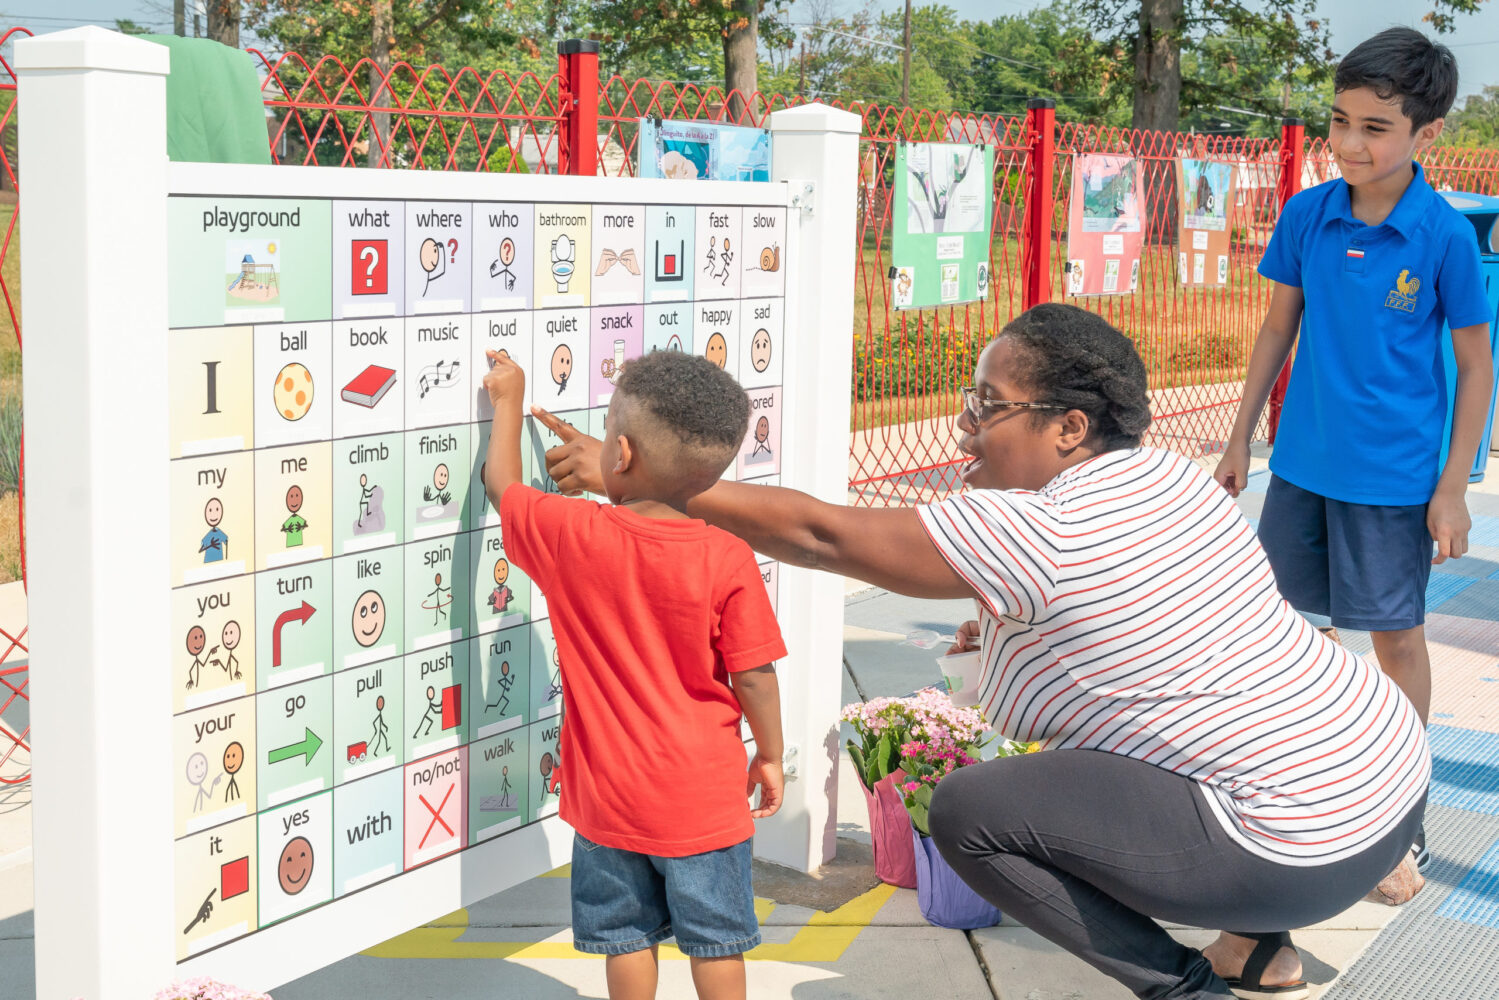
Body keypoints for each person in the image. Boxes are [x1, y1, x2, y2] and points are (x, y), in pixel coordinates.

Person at [539, 304, 1430, 1000]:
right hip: (1384, 786)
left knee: (970, 811)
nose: (965, 429)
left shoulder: (1042, 527)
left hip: (1288, 846)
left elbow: (820, 535)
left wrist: (653, 478)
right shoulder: (1165, 478)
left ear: (1069, 429)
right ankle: (1258, 948)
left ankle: (1182, 984)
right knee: (1157, 760)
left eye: (988, 409)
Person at [1214, 28, 1490, 877]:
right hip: (1298, 468)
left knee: (1395, 641)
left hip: (1394, 480)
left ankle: (1400, 817)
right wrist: (1236, 440)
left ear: (1424, 134)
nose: (1349, 144)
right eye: (1339, 122)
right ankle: (1300, 796)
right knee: (1290, 636)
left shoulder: (1442, 235)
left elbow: (1478, 365)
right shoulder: (1308, 212)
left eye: (1374, 127)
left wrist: (1452, 487)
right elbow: (1275, 327)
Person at [482, 347, 786, 1000]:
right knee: (717, 942)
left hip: (606, 800)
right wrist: (768, 754)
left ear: (617, 455)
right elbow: (754, 675)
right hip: (703, 800)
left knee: (623, 936)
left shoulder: (570, 534)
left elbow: (503, 487)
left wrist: (509, 400)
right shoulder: (728, 558)